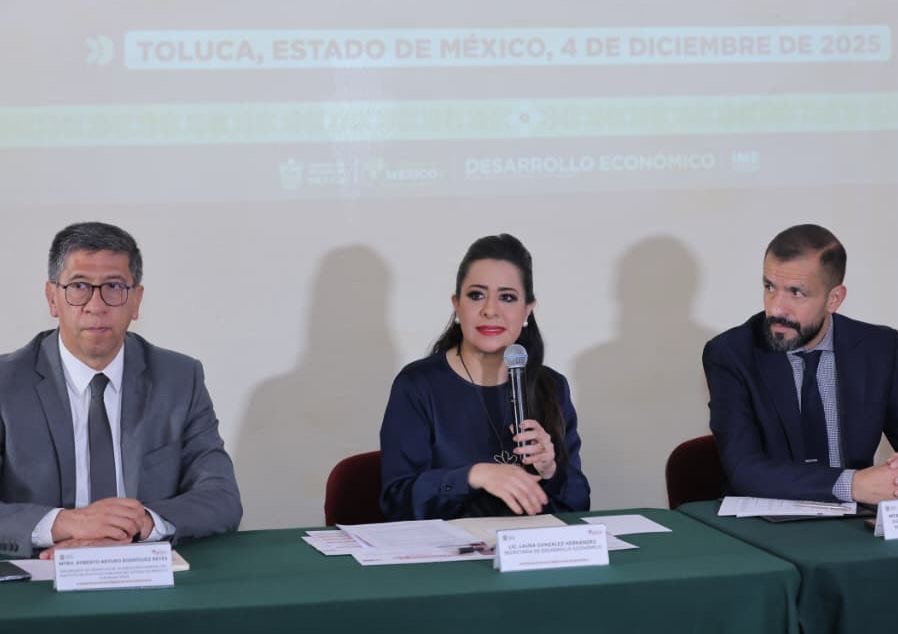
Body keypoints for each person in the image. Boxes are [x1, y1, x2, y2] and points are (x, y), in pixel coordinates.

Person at [0, 222, 242, 558]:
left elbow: (221, 496)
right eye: (79, 286)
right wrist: (65, 524)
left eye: (114, 287)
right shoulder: (7, 383)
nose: (96, 305)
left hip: (143, 569)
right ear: (52, 298)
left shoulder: (179, 379)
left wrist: (139, 524)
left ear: (136, 300)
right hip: (41, 572)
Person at [380, 234, 590, 520]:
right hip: (448, 546)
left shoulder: (551, 386)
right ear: (457, 305)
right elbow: (396, 501)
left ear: (527, 310)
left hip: (528, 546)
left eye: (507, 297)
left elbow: (578, 504)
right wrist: (473, 476)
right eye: (477, 295)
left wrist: (550, 470)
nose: (490, 310)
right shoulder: (418, 385)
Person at [703, 224, 898, 504]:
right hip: (765, 522)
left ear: (834, 299)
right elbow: (743, 469)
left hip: (857, 522)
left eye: (796, 293)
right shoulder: (731, 354)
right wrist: (851, 485)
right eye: (770, 287)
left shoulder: (880, 349)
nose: (776, 308)